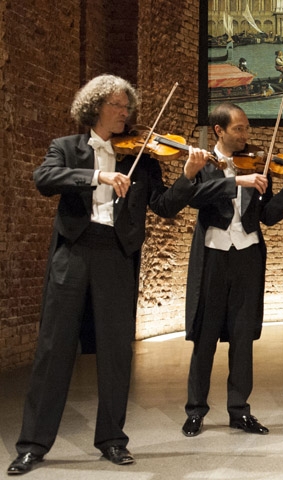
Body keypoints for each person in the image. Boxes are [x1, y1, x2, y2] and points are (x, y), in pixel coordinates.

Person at [7, 75, 208, 476]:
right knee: (53, 349)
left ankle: (113, 440)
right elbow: (44, 179)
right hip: (74, 253)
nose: (125, 113)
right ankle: (32, 445)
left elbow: (165, 206)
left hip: (117, 255)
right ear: (96, 106)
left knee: (117, 352)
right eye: (118, 105)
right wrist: (98, 176)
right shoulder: (66, 148)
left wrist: (188, 176)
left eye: (127, 106)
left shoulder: (143, 159)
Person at [181, 103, 283, 438]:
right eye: (238, 129)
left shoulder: (258, 165)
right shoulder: (202, 163)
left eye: (246, 129)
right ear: (219, 131)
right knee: (205, 338)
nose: (245, 135)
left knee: (242, 338)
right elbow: (194, 196)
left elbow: (267, 216)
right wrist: (236, 180)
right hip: (213, 257)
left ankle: (239, 411)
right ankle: (195, 411)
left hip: (246, 258)